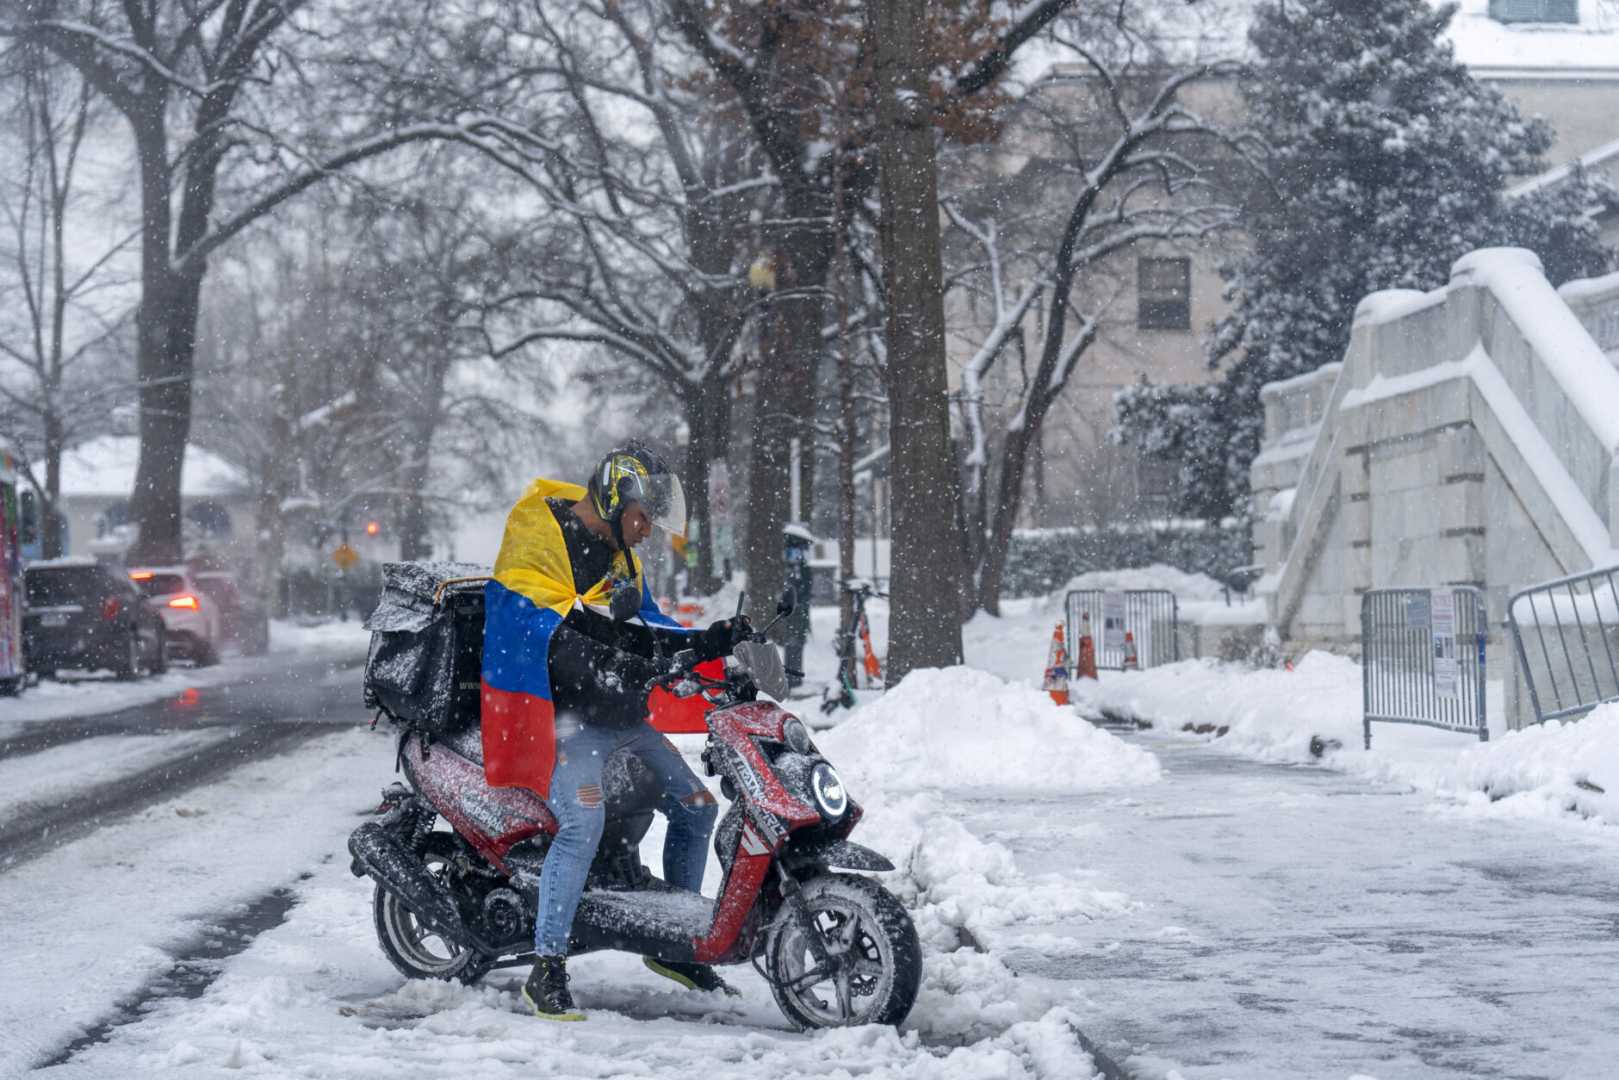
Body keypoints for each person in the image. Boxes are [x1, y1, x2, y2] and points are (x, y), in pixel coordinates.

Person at [479, 444, 746, 1022]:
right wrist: (616, 665)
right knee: (582, 821)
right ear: (613, 497)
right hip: (566, 723)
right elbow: (538, 635)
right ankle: (546, 969)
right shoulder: (538, 541)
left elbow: (645, 628)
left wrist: (712, 644)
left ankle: (676, 945)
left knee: (698, 806)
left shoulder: (621, 556)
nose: (647, 529)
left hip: (622, 718)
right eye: (642, 515)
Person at [781, 524, 815, 690]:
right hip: (796, 609)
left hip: (797, 609)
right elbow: (802, 587)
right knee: (794, 641)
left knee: (795, 641)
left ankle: (793, 675)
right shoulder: (796, 566)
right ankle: (792, 675)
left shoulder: (798, 565)